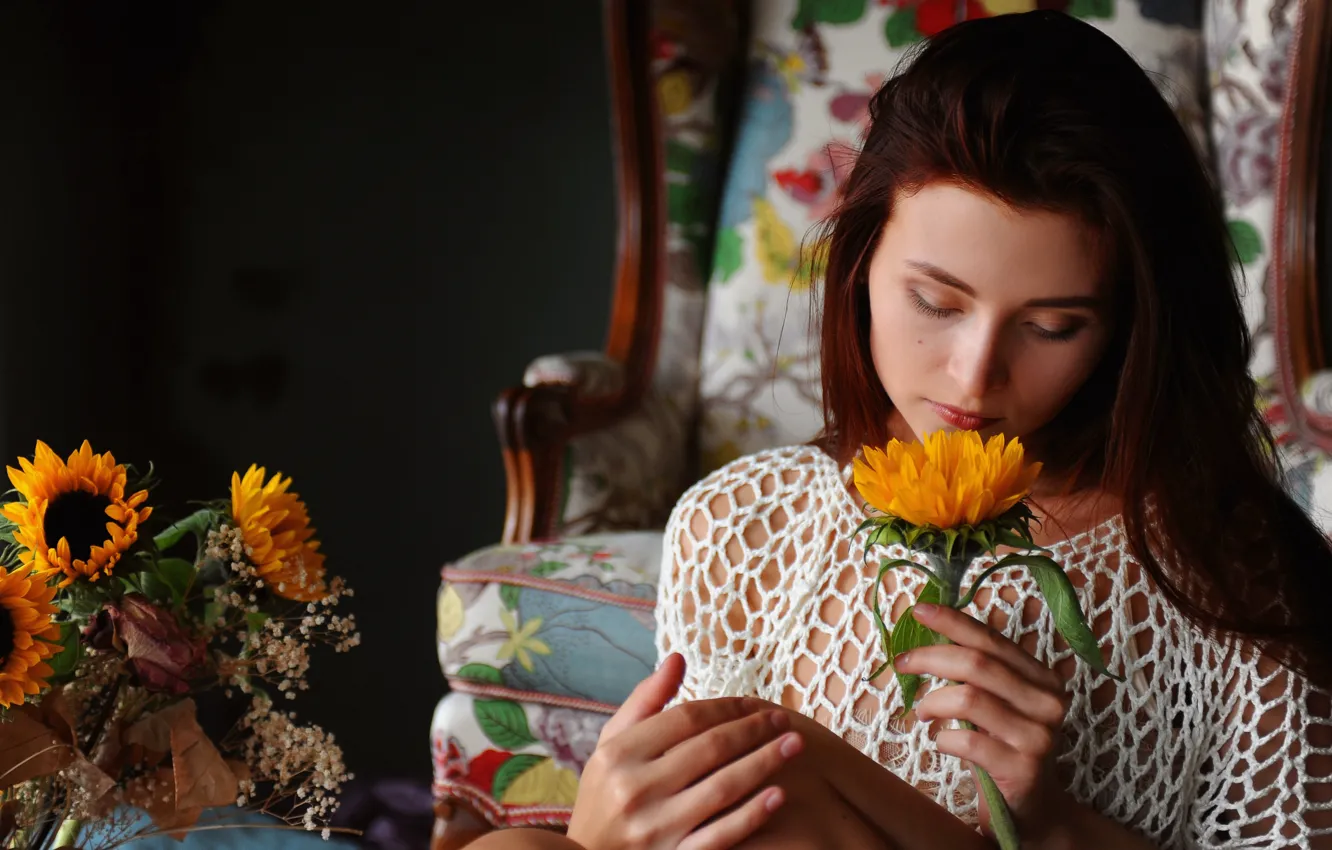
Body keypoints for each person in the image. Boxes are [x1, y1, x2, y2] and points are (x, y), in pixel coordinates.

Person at [473, 9, 1332, 849]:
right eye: (936, 301)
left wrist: (1056, 825)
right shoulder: (741, 522)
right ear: (860, 263)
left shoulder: (1229, 572)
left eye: (1051, 325)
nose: (973, 375)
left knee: (782, 778)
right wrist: (604, 831)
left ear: (1126, 324)